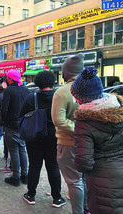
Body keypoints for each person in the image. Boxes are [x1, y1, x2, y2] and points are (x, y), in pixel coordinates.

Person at [70, 66, 123, 214]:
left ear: (82, 97)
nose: (74, 99)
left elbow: (84, 162)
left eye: (76, 96)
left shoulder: (85, 120)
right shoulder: (118, 107)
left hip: (102, 181)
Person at [20, 71, 66, 207]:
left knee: (34, 165)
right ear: (53, 82)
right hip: (54, 137)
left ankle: (31, 195)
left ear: (37, 83)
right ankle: (57, 198)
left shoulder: (31, 98)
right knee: (53, 167)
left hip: (34, 137)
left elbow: (21, 115)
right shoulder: (59, 98)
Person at [51, 54, 89, 214]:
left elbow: (58, 120)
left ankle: (79, 211)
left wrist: (79, 130)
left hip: (68, 143)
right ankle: (87, 208)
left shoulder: (62, 92)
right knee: (85, 179)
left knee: (74, 182)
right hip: (90, 143)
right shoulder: (91, 88)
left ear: (66, 73)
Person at [1, 69, 29, 186]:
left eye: (7, 77)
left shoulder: (9, 91)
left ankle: (16, 177)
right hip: (23, 124)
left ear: (10, 79)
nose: (6, 79)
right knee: (22, 149)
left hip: (12, 125)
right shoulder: (26, 90)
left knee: (14, 151)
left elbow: (4, 109)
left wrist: (4, 121)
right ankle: (25, 175)